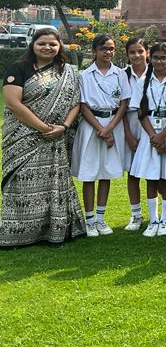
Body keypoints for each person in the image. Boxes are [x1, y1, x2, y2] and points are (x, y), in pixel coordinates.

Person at [0, 27, 86, 247]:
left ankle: (53, 231)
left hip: (56, 138)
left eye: (53, 44)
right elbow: (13, 103)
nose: (48, 47)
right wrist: (44, 128)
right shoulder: (19, 68)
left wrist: (63, 127)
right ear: (33, 45)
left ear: (59, 47)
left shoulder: (67, 72)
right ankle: (18, 233)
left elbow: (76, 102)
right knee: (21, 184)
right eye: (42, 43)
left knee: (52, 185)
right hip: (23, 137)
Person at [73, 33, 130, 237]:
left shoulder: (120, 74)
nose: (108, 52)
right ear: (94, 50)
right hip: (91, 127)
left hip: (113, 125)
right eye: (104, 48)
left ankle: (100, 218)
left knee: (106, 172)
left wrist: (110, 128)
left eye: (111, 48)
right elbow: (83, 105)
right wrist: (100, 129)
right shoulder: (84, 75)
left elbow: (123, 103)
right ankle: (89, 221)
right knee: (89, 173)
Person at [127, 41, 166, 238]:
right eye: (156, 57)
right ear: (151, 58)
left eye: (164, 58)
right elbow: (140, 111)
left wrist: (163, 136)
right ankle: (153, 219)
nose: (159, 61)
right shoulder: (143, 81)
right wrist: (153, 137)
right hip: (149, 134)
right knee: (150, 177)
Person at [122, 36, 149, 230]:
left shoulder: (156, 73)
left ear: (146, 52)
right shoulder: (122, 75)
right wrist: (128, 135)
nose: (137, 55)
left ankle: (158, 213)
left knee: (155, 171)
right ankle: (136, 214)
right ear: (127, 54)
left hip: (152, 124)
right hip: (130, 122)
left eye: (140, 51)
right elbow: (120, 107)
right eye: (132, 52)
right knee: (132, 172)